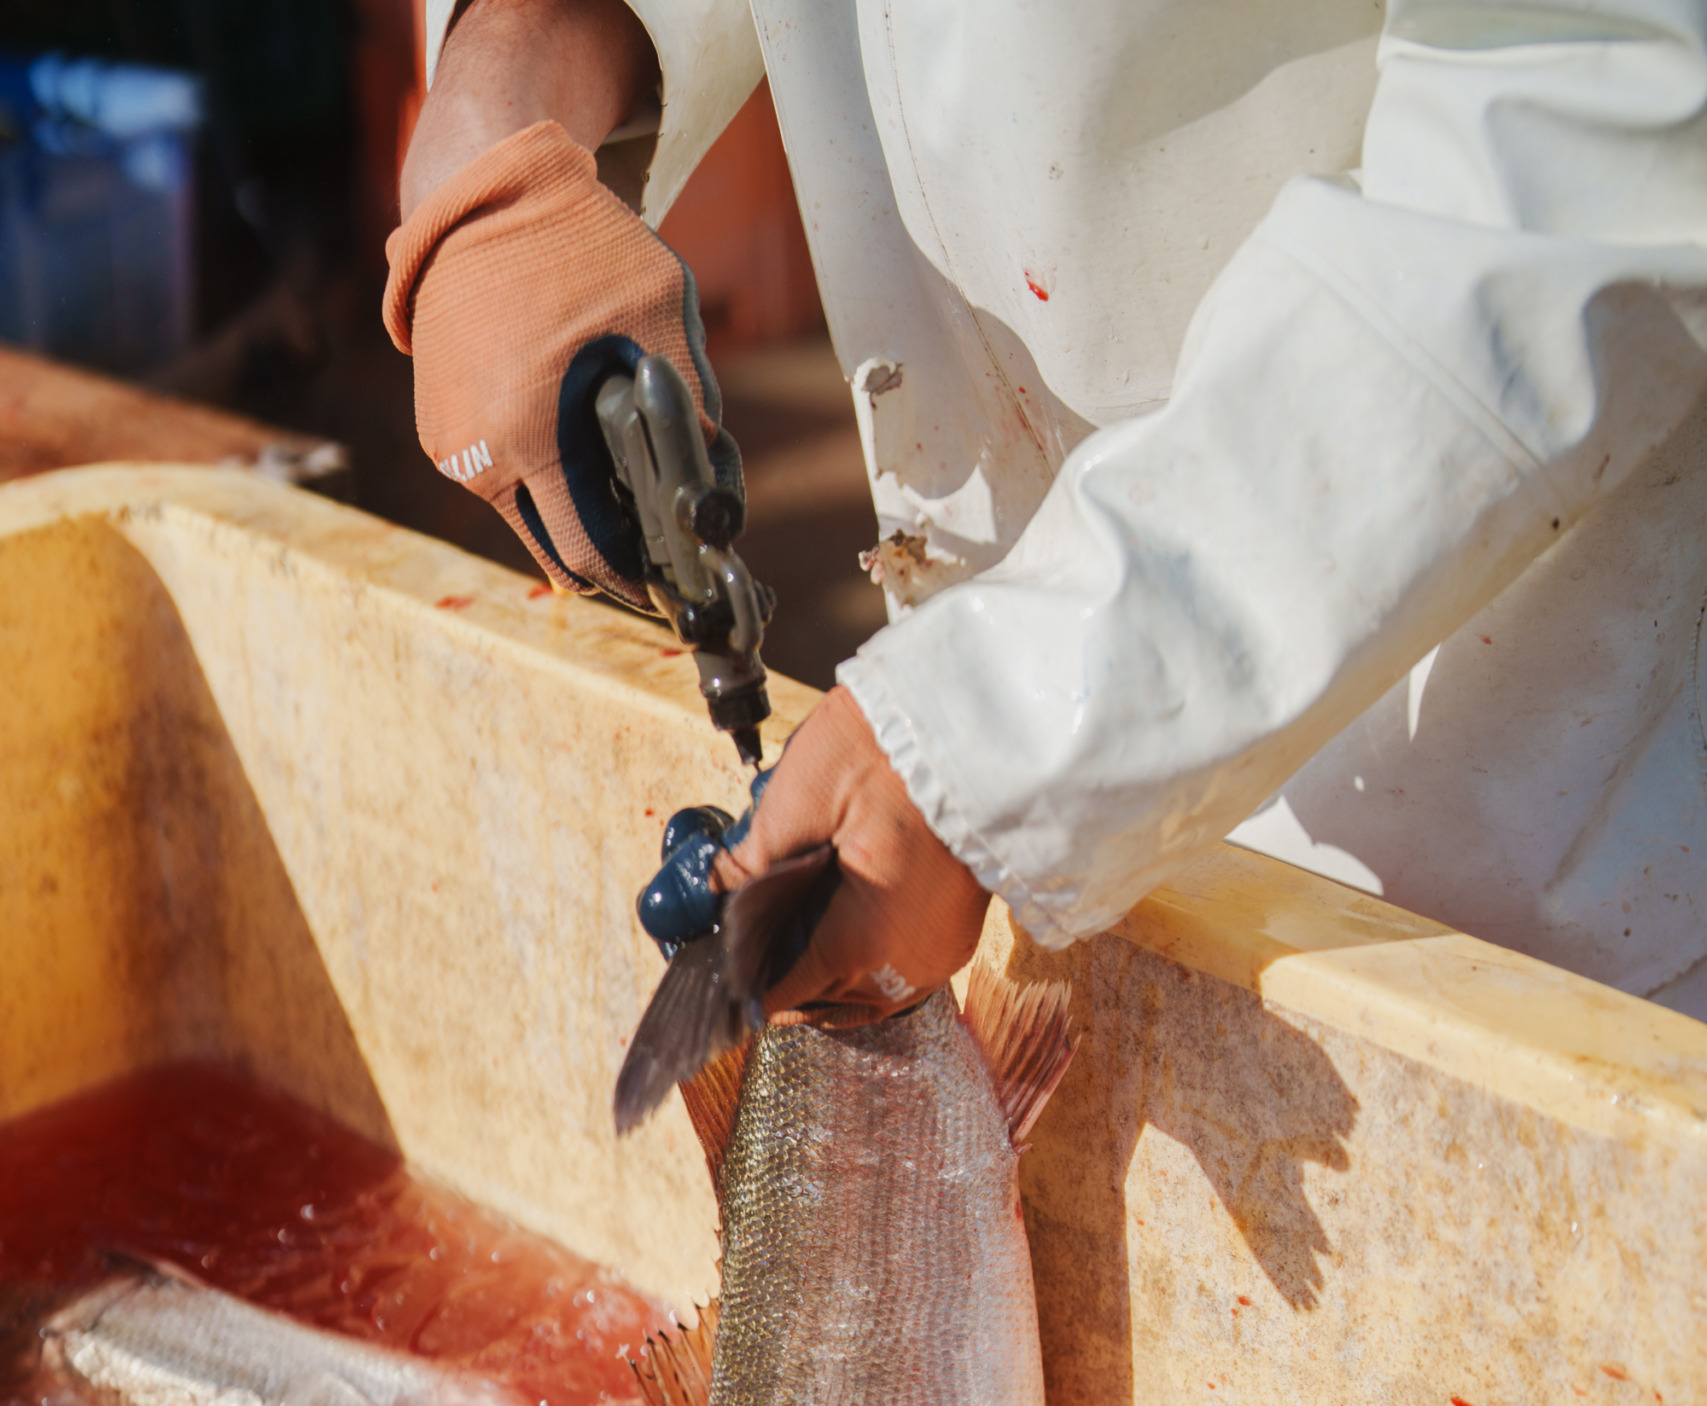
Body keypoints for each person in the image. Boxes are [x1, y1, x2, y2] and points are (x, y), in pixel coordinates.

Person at [387, 0, 1707, 1025]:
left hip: (1501, 808)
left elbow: (1586, 116)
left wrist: (1001, 721)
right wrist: (527, 50)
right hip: (970, 770)